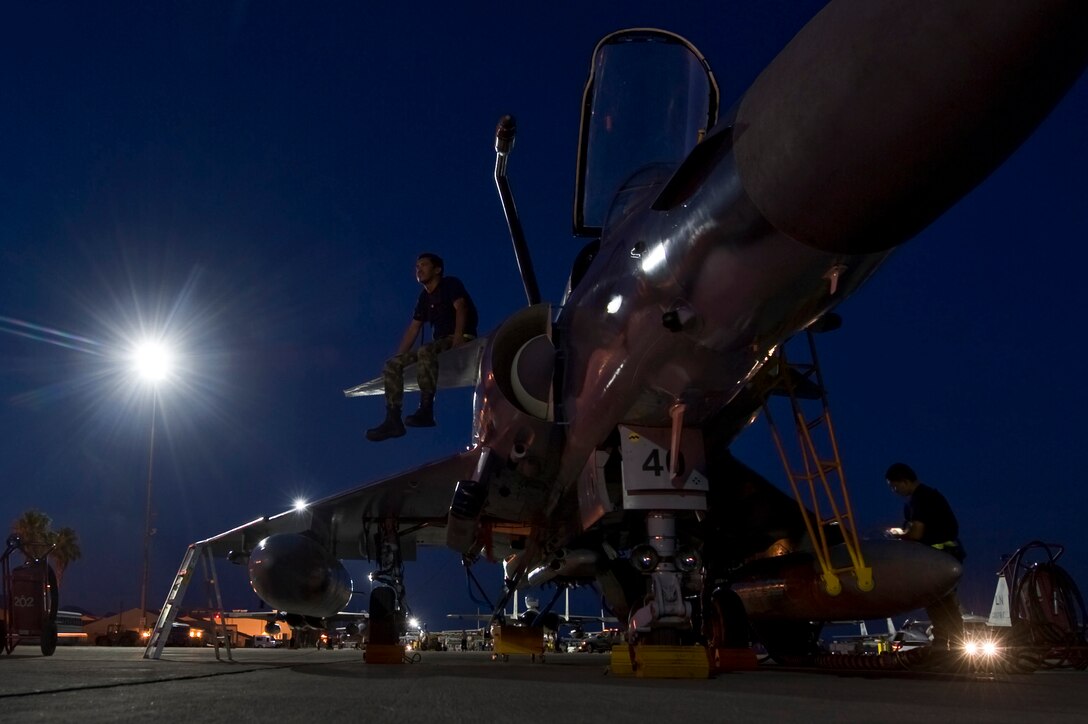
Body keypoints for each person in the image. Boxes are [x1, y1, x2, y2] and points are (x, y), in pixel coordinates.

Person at [366, 252, 478, 442]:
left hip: (460, 337)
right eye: (417, 267)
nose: (419, 269)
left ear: (437, 270)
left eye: (424, 265)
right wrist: (398, 358)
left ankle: (426, 410)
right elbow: (414, 328)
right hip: (438, 345)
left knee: (426, 349)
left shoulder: (450, 284)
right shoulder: (423, 298)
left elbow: (461, 307)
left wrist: (459, 337)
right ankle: (393, 420)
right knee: (391, 365)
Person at [885, 462, 966, 651]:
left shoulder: (920, 499)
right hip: (948, 555)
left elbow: (917, 534)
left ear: (904, 481)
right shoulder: (931, 496)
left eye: (895, 486)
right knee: (946, 605)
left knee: (939, 604)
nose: (895, 491)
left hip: (936, 558)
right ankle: (951, 646)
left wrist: (898, 537)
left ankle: (945, 646)